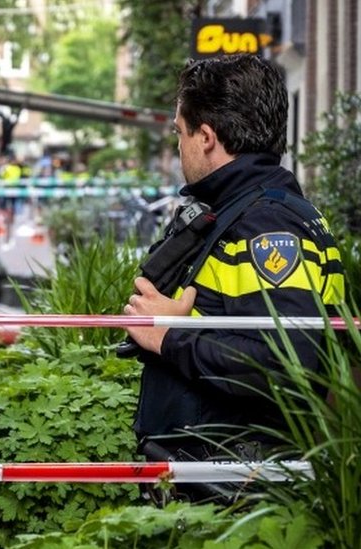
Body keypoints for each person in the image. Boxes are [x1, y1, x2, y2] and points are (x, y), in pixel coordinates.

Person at [122, 55, 343, 489]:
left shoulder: (268, 225)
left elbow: (287, 364)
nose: (179, 146)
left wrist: (169, 336)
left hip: (235, 483)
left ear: (205, 137)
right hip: (217, 471)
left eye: (180, 133)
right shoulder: (245, 210)